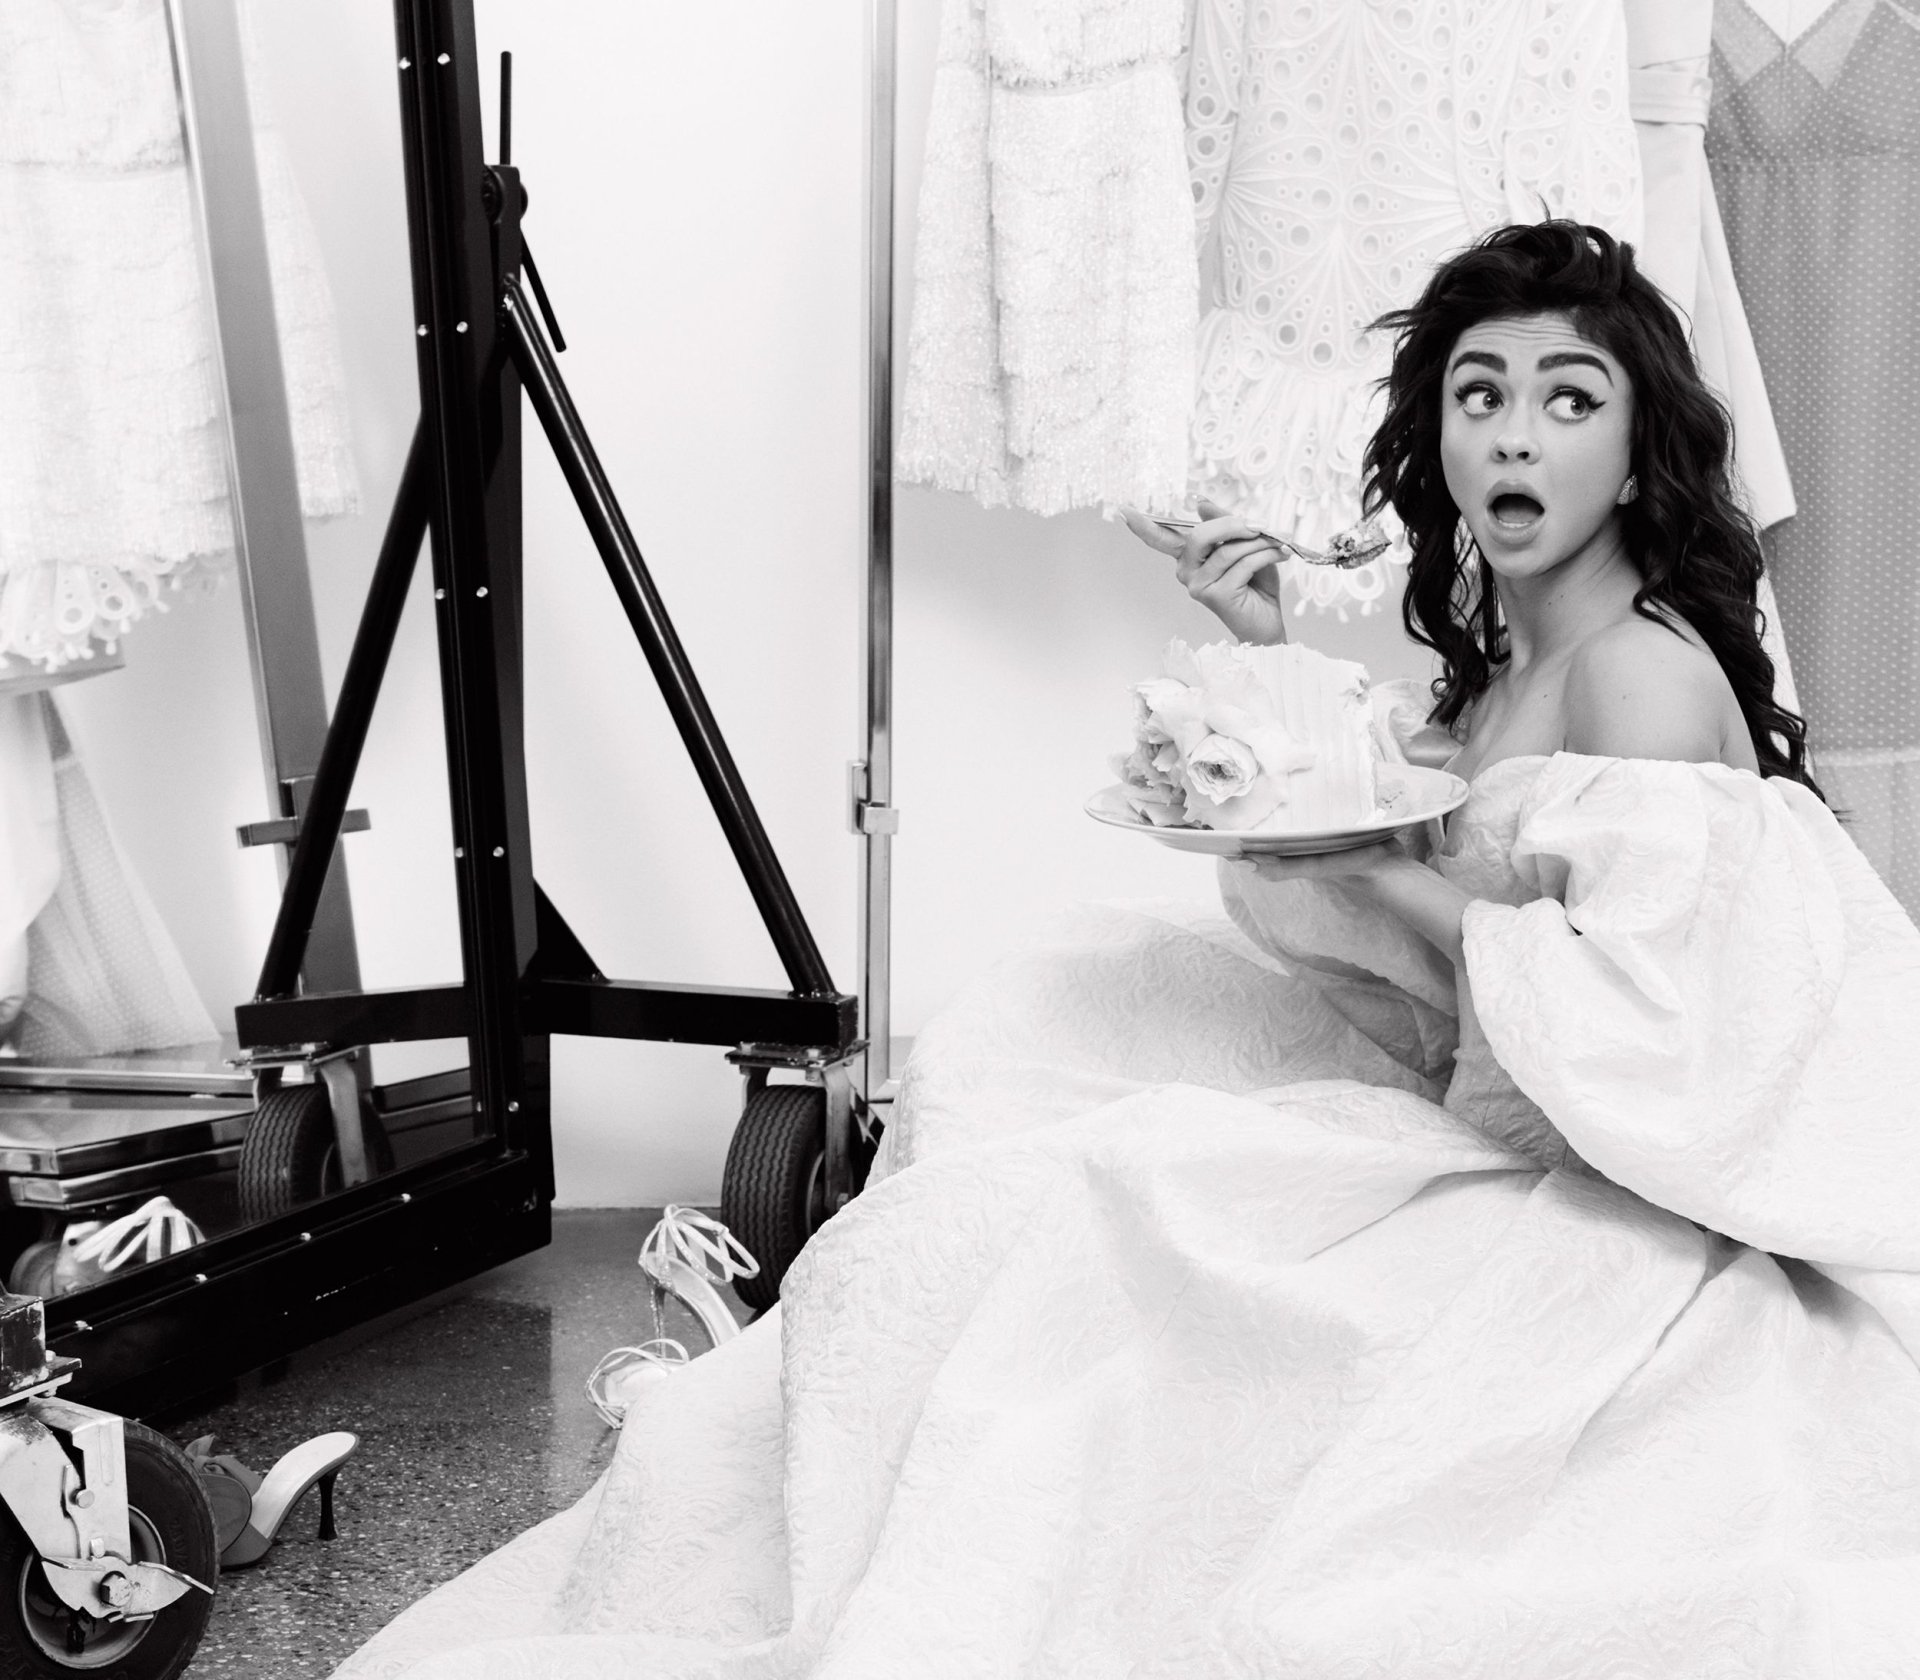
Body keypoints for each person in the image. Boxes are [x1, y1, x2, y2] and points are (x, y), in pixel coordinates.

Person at [336, 223, 1920, 1680]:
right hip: (1493, 1114)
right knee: (1041, 1049)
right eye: (1478, 393)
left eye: (1570, 400)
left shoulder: (1639, 678)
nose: (1515, 433)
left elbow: (1652, 1028)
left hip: (1596, 1180)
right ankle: (826, 1442)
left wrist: (1374, 863)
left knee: (1121, 1212)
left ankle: (897, 1491)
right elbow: (1426, 864)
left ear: (1639, 455)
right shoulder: (1513, 665)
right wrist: (1268, 668)